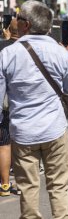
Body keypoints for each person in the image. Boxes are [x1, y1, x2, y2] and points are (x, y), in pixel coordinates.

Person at [0, 0, 68, 218]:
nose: (14, 21)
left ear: (25, 24)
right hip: (55, 131)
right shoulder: (59, 51)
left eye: (17, 17)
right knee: (59, 187)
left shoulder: (7, 54)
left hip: (23, 134)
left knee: (28, 190)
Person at [0, 18, 18, 197]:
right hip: (23, 104)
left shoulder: (2, 47)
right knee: (21, 144)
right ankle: (21, 184)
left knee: (4, 144)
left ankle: (4, 185)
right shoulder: (26, 48)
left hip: (3, 103)